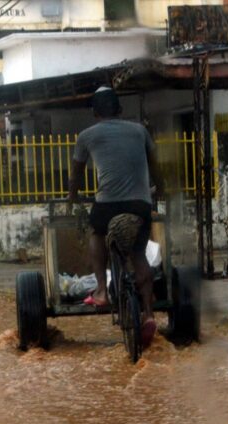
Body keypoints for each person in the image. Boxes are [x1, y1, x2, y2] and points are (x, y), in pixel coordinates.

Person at [67, 86, 163, 347]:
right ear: (120, 110)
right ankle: (149, 313)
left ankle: (101, 290)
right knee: (139, 253)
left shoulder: (86, 136)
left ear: (95, 112)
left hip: (107, 205)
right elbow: (156, 166)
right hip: (139, 205)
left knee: (96, 232)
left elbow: (75, 174)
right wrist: (161, 190)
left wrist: (71, 198)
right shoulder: (140, 131)